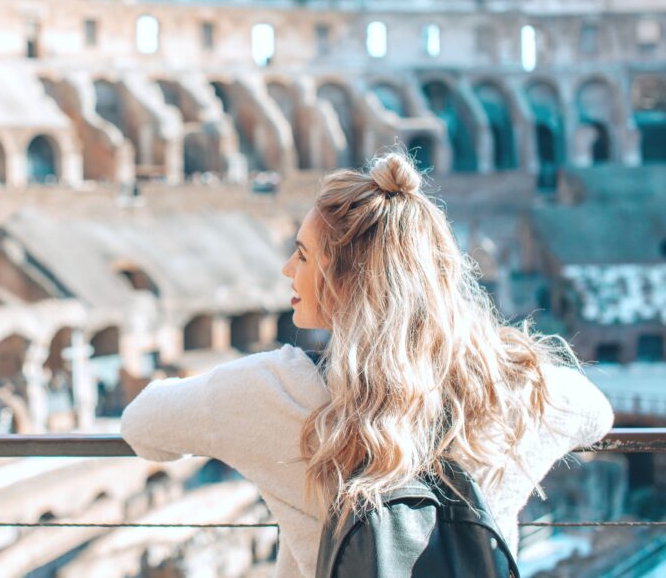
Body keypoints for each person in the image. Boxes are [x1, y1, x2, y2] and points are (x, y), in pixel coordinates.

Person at [121, 150, 614, 578]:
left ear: (343, 280)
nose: (287, 269)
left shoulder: (275, 392)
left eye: (303, 255)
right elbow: (596, 414)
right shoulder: (511, 388)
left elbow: (141, 424)